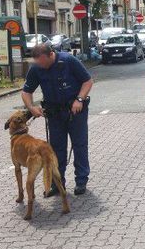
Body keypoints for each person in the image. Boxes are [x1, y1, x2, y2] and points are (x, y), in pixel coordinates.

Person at [21, 44, 93, 196]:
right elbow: (26, 91)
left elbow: (87, 81)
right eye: (38, 63)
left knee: (79, 145)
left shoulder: (69, 61)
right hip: (54, 115)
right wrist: (31, 107)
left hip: (75, 112)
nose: (41, 66)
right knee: (55, 150)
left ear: (51, 54)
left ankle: (81, 181)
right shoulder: (36, 68)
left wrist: (79, 99)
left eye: (43, 62)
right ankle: (57, 184)